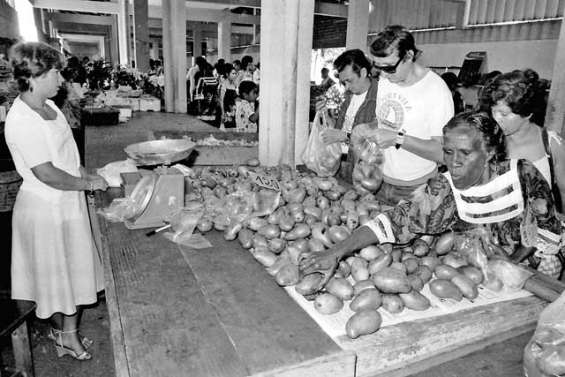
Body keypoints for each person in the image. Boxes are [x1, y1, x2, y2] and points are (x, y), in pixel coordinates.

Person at [300, 111, 564, 284]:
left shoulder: (523, 173)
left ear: (491, 153)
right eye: (448, 152)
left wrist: (513, 263)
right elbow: (394, 221)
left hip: (535, 263)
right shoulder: (444, 189)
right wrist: (336, 251)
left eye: (465, 153)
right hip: (483, 269)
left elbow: (547, 226)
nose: (454, 162)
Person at [5, 42, 108, 360]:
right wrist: (86, 183)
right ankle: (67, 337)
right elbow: (47, 173)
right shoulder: (22, 119)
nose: (61, 79)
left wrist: (85, 177)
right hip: (46, 208)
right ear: (35, 76)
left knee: (75, 274)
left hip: (67, 202)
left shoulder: (50, 108)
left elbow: (66, 156)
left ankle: (66, 334)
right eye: (55, 72)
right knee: (59, 280)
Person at [353, 25, 454, 205]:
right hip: (379, 180)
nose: (383, 74)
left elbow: (443, 153)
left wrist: (398, 139)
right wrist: (369, 128)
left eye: (389, 68)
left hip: (415, 189)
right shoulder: (386, 80)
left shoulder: (435, 90)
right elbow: (385, 122)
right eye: (378, 67)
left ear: (408, 56)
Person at [479, 69, 565, 213]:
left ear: (527, 114)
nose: (496, 118)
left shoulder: (551, 144)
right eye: (494, 111)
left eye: (504, 114)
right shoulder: (490, 140)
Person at [317, 49, 378, 182]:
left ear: (363, 72)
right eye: (343, 82)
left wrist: (344, 137)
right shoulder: (349, 96)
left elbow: (379, 141)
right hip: (345, 165)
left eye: (349, 81)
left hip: (366, 172)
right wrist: (326, 115)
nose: (347, 87)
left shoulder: (380, 98)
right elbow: (340, 129)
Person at [218, 63, 238, 128]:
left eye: (235, 73)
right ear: (227, 74)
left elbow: (235, 97)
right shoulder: (224, 84)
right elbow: (221, 100)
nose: (234, 75)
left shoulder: (234, 84)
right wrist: (223, 112)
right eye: (233, 73)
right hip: (225, 109)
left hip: (232, 110)